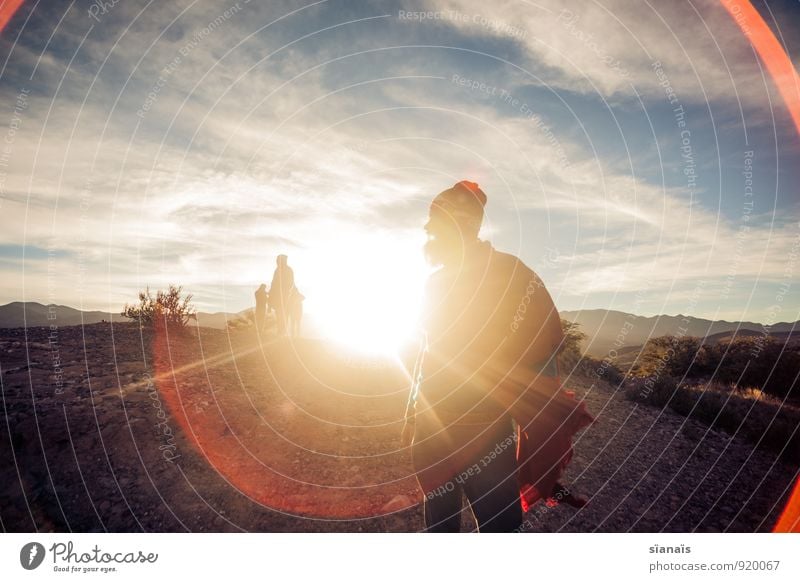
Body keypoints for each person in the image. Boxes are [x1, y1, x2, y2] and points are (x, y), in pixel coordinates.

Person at [401, 180, 593, 532]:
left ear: (462, 225)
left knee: (498, 529)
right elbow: (428, 351)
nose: (427, 229)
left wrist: (531, 398)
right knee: (442, 527)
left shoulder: (510, 274)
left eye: (436, 221)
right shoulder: (434, 283)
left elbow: (545, 336)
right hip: (432, 432)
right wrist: (413, 410)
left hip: (485, 431)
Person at [268, 254, 294, 336]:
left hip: (284, 295)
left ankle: (282, 331)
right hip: (277, 295)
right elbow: (273, 282)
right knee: (278, 312)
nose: (277, 262)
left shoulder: (288, 270)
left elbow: (290, 283)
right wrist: (271, 292)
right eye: (277, 261)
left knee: (283, 312)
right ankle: (280, 330)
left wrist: (285, 291)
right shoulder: (277, 270)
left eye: (278, 260)